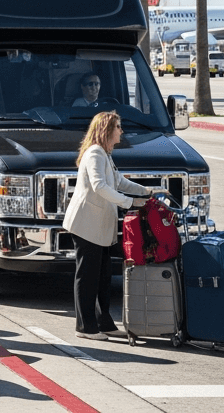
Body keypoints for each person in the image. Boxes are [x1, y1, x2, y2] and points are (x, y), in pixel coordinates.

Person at [62, 110, 159, 341]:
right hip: (86, 226)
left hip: (100, 228)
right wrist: (129, 202)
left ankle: (104, 322)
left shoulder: (105, 153)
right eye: (118, 127)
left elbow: (118, 181)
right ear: (106, 129)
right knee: (87, 277)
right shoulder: (95, 153)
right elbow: (99, 186)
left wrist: (146, 191)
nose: (121, 131)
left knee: (103, 276)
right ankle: (85, 327)